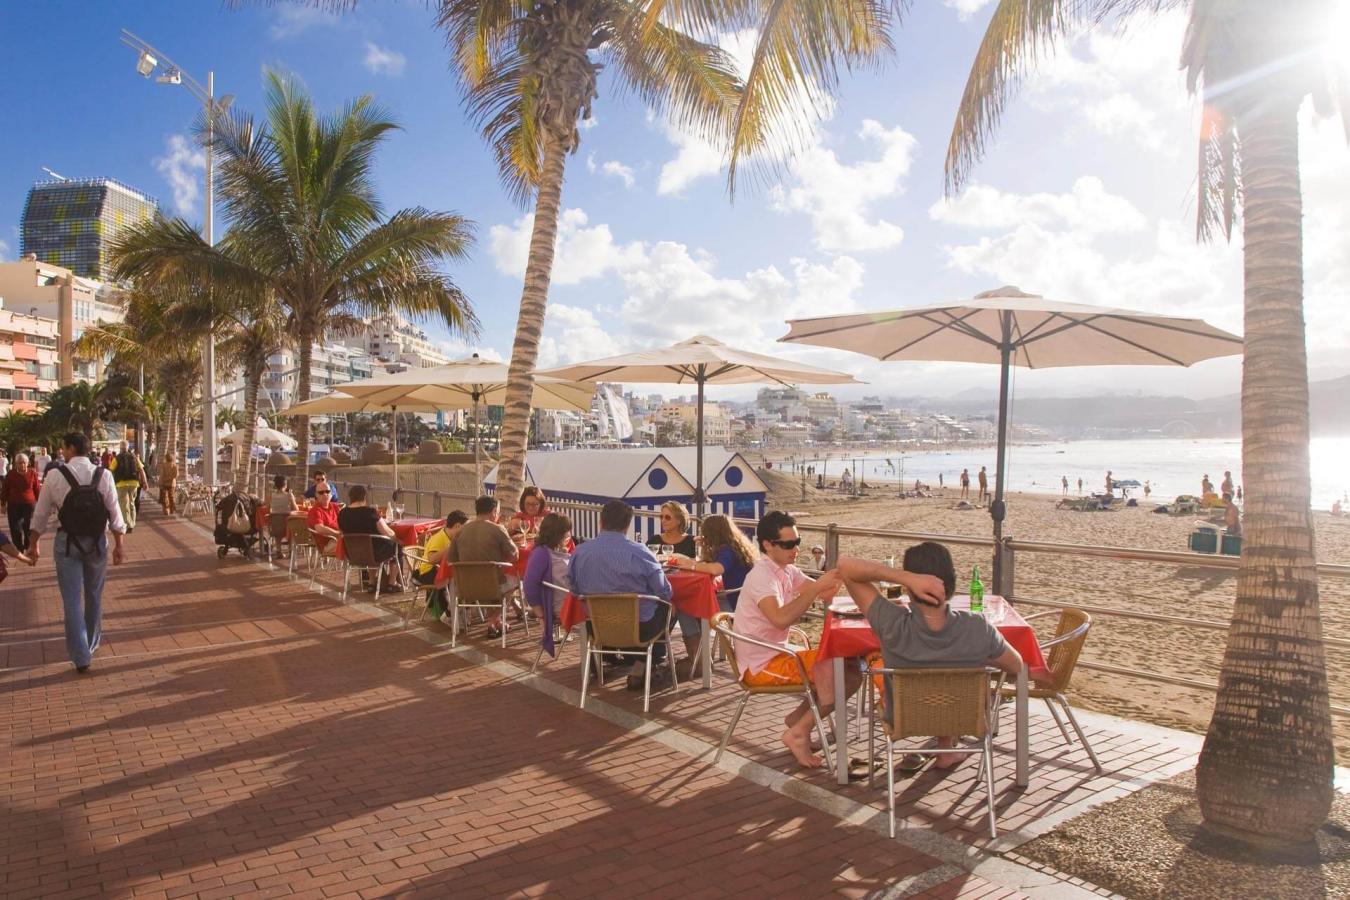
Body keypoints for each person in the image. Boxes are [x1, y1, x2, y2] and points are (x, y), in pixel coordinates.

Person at [836, 543, 1022, 769]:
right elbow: (1017, 666)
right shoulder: (978, 628)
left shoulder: (891, 624)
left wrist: (904, 577)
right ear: (951, 580)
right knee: (947, 688)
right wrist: (977, 657)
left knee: (934, 682)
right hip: (963, 716)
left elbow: (844, 566)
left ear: (908, 586)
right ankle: (947, 749)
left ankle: (946, 750)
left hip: (904, 718)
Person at [734, 511, 889, 769]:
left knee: (845, 663)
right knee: (845, 673)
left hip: (778, 652)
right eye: (788, 544)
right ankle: (798, 731)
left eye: (798, 542)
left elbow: (827, 593)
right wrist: (818, 588)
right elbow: (780, 619)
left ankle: (798, 722)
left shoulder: (786, 570)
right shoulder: (762, 577)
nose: (795, 549)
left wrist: (843, 573)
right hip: (761, 663)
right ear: (767, 545)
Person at [28, 432, 127, 674]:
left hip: (67, 542)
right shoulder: (104, 474)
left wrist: (34, 542)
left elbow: (40, 514)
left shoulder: (54, 475)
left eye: (64, 448)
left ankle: (81, 656)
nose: (62, 451)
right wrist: (119, 544)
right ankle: (90, 644)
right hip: (96, 542)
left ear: (70, 448)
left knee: (71, 600)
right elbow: (115, 513)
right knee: (94, 595)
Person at [571, 500, 674, 690]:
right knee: (669, 608)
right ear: (627, 526)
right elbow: (665, 592)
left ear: (600, 522)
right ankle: (647, 662)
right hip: (640, 628)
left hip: (597, 626)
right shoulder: (640, 552)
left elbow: (575, 590)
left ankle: (627, 659)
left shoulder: (580, 552)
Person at [666, 513, 758, 679]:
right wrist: (705, 549)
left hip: (736, 603)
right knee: (692, 602)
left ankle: (699, 659)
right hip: (742, 597)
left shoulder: (727, 550)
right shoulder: (734, 546)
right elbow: (711, 564)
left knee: (685, 605)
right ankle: (699, 657)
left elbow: (716, 569)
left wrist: (690, 564)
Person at [447, 495, 520, 639]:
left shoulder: (460, 531)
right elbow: (514, 556)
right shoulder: (497, 529)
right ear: (494, 511)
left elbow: (451, 559)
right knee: (515, 580)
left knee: (492, 581)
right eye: (497, 512)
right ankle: (493, 621)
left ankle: (496, 622)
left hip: (466, 588)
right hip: (493, 585)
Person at [338, 484, 403, 590]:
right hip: (374, 554)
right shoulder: (370, 512)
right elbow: (387, 532)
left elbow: (341, 532)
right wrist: (397, 539)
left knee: (373, 545)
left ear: (350, 498)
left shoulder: (342, 514)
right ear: (364, 497)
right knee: (397, 547)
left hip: (352, 554)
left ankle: (372, 582)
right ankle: (392, 583)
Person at [414, 509, 469, 618]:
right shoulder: (439, 538)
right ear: (457, 526)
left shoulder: (450, 537)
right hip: (427, 572)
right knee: (457, 579)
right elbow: (432, 559)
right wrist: (450, 548)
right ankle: (450, 612)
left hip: (442, 570)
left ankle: (459, 609)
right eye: (464, 529)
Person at [522, 512, 572, 623]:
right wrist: (541, 615)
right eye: (567, 531)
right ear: (559, 534)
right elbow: (529, 585)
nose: (569, 534)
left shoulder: (548, 553)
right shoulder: (541, 555)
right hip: (566, 609)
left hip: (569, 604)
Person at [3, 452, 41, 551]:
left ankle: (28, 545)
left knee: (28, 526)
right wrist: (3, 504)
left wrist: (40, 503)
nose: (22, 465)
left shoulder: (32, 473)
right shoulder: (11, 474)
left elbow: (37, 489)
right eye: (20, 463)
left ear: (27, 463)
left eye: (24, 462)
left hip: (29, 504)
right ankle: (18, 547)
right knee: (15, 527)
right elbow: (4, 489)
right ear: (16, 464)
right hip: (13, 504)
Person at [109, 443, 147, 532]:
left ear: (120, 448)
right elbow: (141, 470)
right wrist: (145, 482)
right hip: (134, 483)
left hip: (121, 484)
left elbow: (110, 471)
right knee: (132, 504)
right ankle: (132, 523)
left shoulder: (117, 458)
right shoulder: (134, 457)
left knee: (124, 505)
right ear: (128, 447)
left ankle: (128, 525)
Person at [305, 481, 341, 553]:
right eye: (321, 492)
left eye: (327, 491)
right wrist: (337, 533)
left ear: (331, 493)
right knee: (352, 545)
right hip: (327, 545)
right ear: (316, 495)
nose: (325, 494)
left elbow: (343, 521)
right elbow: (320, 528)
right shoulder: (315, 510)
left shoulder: (335, 507)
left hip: (338, 539)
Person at [158, 451, 180, 516]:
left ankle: (166, 511)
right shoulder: (175, 465)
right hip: (172, 484)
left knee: (164, 497)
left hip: (164, 483)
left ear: (166, 458)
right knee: (171, 497)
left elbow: (161, 475)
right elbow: (176, 475)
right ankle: (172, 509)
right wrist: (171, 478)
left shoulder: (164, 465)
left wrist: (160, 481)